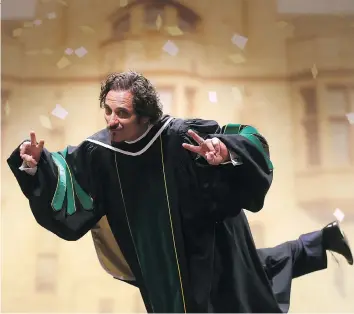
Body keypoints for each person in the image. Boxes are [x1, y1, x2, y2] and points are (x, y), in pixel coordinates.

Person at [8, 71, 280, 313]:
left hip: (209, 259)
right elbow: (65, 176)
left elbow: (248, 139)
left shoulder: (182, 137)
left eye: (122, 114)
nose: (112, 121)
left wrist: (224, 152)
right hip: (154, 267)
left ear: (145, 115)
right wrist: (36, 165)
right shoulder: (99, 152)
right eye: (107, 111)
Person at [91, 217, 353, 313]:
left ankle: (317, 241)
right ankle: (318, 240)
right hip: (185, 248)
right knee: (247, 274)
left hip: (193, 243)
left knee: (242, 280)